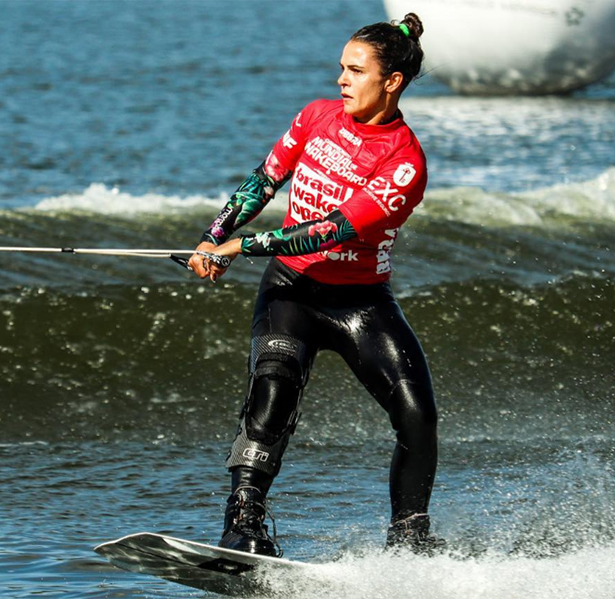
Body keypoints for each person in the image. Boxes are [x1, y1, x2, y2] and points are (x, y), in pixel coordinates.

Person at [188, 14, 438, 557]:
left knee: (418, 416)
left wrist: (243, 247)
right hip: (292, 291)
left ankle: (409, 544)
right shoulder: (316, 116)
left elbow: (333, 229)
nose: (341, 81)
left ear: (391, 80)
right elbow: (264, 179)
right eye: (340, 69)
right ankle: (243, 525)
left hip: (360, 302)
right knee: (273, 390)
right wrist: (213, 236)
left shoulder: (404, 164)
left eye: (355, 70)